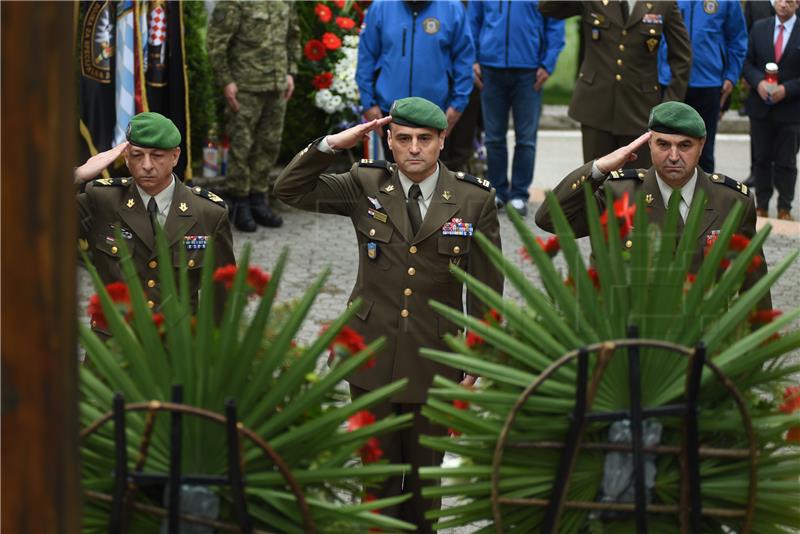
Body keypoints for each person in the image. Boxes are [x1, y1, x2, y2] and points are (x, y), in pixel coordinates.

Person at [274, 97, 504, 532]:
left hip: (436, 360)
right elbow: (290, 190)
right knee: (375, 482)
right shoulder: (365, 183)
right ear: (388, 141)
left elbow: (487, 288)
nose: (414, 148)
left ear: (441, 141)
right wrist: (331, 145)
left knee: (424, 485)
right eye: (403, 139)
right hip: (370, 355)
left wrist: (479, 356)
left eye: (424, 139)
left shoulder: (474, 200)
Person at [535, 101, 770, 305]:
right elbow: (549, 219)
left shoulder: (732, 201)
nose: (674, 156)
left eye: (685, 145)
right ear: (649, 144)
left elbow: (754, 287)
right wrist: (598, 169)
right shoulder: (618, 193)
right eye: (664, 144)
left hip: (702, 342)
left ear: (702, 144)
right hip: (631, 340)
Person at [75, 112, 236, 325]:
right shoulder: (102, 200)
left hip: (177, 347)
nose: (147, 165)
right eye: (137, 155)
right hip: (114, 345)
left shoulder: (208, 213)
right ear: (126, 157)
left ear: (175, 156)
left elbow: (222, 294)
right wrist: (77, 175)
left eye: (157, 155)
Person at [539, 0, 692, 168]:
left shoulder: (663, 3)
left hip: (639, 108)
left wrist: (669, 106)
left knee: (636, 182)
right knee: (596, 181)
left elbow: (682, 57)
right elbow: (547, 7)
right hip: (596, 106)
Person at [206, 1, 300, 232]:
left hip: (277, 85)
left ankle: (259, 199)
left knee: (269, 145)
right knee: (241, 146)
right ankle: (239, 202)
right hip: (245, 86)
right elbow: (216, 42)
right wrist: (226, 81)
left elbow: (293, 34)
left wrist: (291, 72)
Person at [469, 0, 566, 216]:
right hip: (490, 69)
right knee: (493, 137)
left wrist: (548, 63)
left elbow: (555, 24)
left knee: (526, 138)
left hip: (529, 71)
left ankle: (520, 195)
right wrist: (474, 59)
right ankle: (498, 192)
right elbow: (473, 21)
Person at [356, 0, 475, 170]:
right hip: (392, 112)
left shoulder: (452, 8)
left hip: (436, 112)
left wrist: (457, 105)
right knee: (394, 179)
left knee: (436, 179)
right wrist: (368, 102)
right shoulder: (381, 7)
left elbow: (464, 61)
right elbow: (366, 56)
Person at [657, 0, 748, 173]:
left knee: (703, 150)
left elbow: (737, 39)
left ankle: (703, 198)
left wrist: (731, 76)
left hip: (707, 84)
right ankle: (665, 198)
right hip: (669, 81)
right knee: (664, 146)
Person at [743, 0, 800, 221]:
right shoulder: (759, 27)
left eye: (790, 1)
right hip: (761, 107)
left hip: (791, 110)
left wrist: (786, 89)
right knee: (762, 158)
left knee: (786, 161)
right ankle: (762, 205)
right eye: (780, 0)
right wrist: (758, 83)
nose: (783, 5)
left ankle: (785, 206)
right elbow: (747, 62)